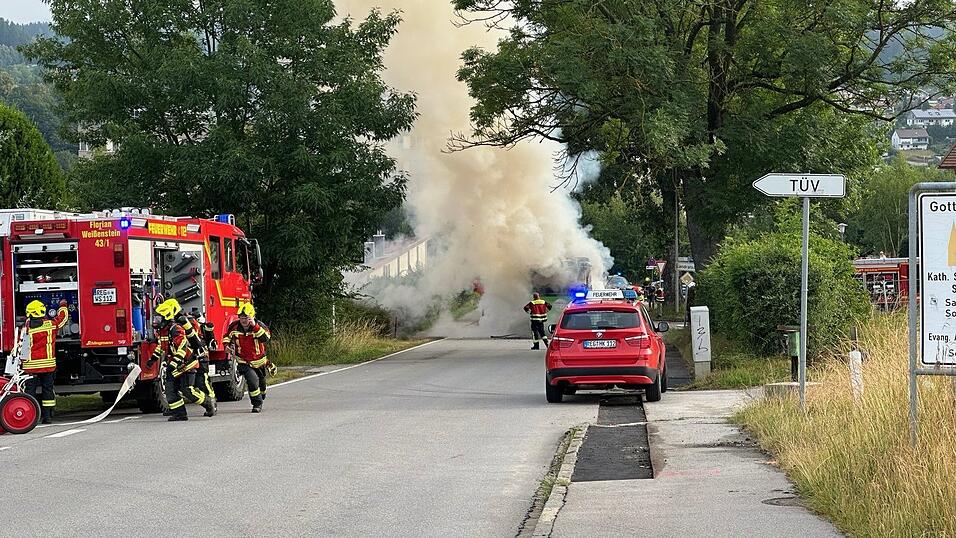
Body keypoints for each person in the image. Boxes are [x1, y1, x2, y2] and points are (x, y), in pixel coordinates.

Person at [147, 299, 215, 421]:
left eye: (159, 318)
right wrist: (153, 358)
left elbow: (182, 348)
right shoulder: (163, 331)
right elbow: (162, 347)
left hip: (187, 364)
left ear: (167, 316)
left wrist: (173, 364)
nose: (156, 321)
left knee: (187, 390)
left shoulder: (176, 329)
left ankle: (208, 403)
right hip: (174, 366)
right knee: (170, 391)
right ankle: (180, 414)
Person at [22, 299, 69, 424]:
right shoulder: (50, 325)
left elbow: (23, 347)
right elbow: (63, 319)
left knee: (30, 391)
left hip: (30, 367)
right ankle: (47, 417)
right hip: (47, 366)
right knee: (47, 390)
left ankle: (31, 417)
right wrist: (63, 306)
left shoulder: (26, 328)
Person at [223, 302, 272, 413]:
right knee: (252, 381)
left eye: (246, 318)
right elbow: (227, 337)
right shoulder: (234, 326)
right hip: (243, 361)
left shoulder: (259, 326)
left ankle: (262, 394)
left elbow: (265, 338)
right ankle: (256, 404)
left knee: (262, 383)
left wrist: (255, 326)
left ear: (252, 316)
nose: (243, 320)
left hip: (259, 361)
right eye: (241, 318)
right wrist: (226, 346)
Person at [176, 310, 217, 415]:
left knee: (203, 381)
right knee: (198, 383)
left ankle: (212, 403)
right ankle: (210, 403)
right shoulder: (184, 325)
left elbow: (203, 340)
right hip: (193, 357)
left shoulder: (197, 326)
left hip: (202, 357)